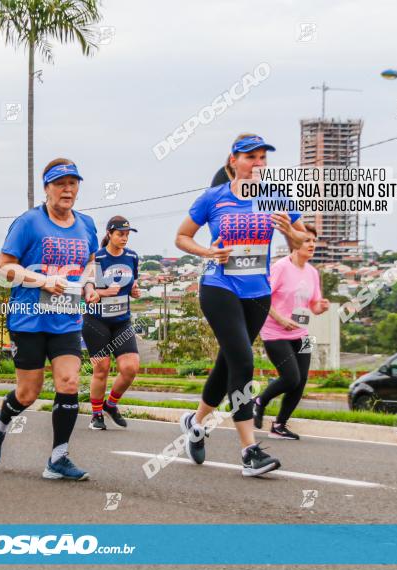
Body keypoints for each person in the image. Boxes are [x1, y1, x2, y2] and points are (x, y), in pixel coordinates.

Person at [175, 135, 309, 477]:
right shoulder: (213, 198)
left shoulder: (276, 197)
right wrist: (208, 252)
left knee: (228, 361)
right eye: (252, 157)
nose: (259, 163)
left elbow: (301, 239)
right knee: (244, 360)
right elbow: (182, 237)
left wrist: (289, 234)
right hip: (219, 285)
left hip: (256, 292)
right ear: (233, 161)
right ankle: (249, 450)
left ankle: (196, 420)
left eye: (263, 158)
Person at [0, 157, 100, 481]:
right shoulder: (28, 223)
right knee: (28, 394)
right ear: (47, 188)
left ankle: (58, 457)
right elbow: (4, 266)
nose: (67, 189)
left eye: (73, 183)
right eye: (60, 183)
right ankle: (0, 423)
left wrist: (87, 283)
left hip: (66, 318)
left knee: (69, 382)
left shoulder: (86, 224)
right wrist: (42, 281)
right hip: (29, 318)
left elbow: (90, 260)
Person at [254, 224, 330, 439]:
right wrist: (281, 319)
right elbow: (262, 298)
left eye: (314, 241)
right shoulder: (280, 267)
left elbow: (313, 307)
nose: (312, 244)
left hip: (301, 333)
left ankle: (279, 425)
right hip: (275, 332)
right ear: (295, 243)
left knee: (301, 381)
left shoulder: (313, 273)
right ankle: (259, 401)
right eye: (307, 240)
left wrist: (321, 307)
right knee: (290, 378)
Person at [82, 216, 142, 430]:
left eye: (127, 234)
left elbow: (132, 284)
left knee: (130, 368)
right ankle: (96, 414)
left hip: (121, 321)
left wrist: (134, 292)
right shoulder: (97, 258)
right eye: (120, 234)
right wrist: (99, 292)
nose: (124, 238)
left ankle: (111, 404)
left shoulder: (132, 257)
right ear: (109, 234)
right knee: (102, 369)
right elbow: (83, 289)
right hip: (96, 321)